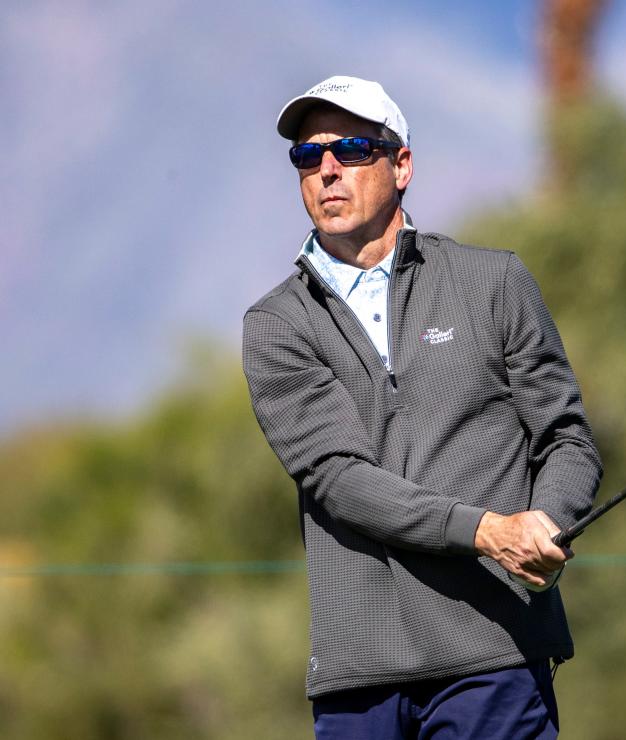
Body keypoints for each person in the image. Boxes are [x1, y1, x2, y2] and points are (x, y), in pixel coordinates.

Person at [242, 75, 602, 739]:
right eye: (306, 155)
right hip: (361, 678)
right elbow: (340, 481)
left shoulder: (493, 282)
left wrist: (548, 520)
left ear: (401, 164)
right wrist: (490, 530)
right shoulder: (276, 326)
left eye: (350, 149)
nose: (326, 170)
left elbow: (567, 441)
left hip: (496, 656)